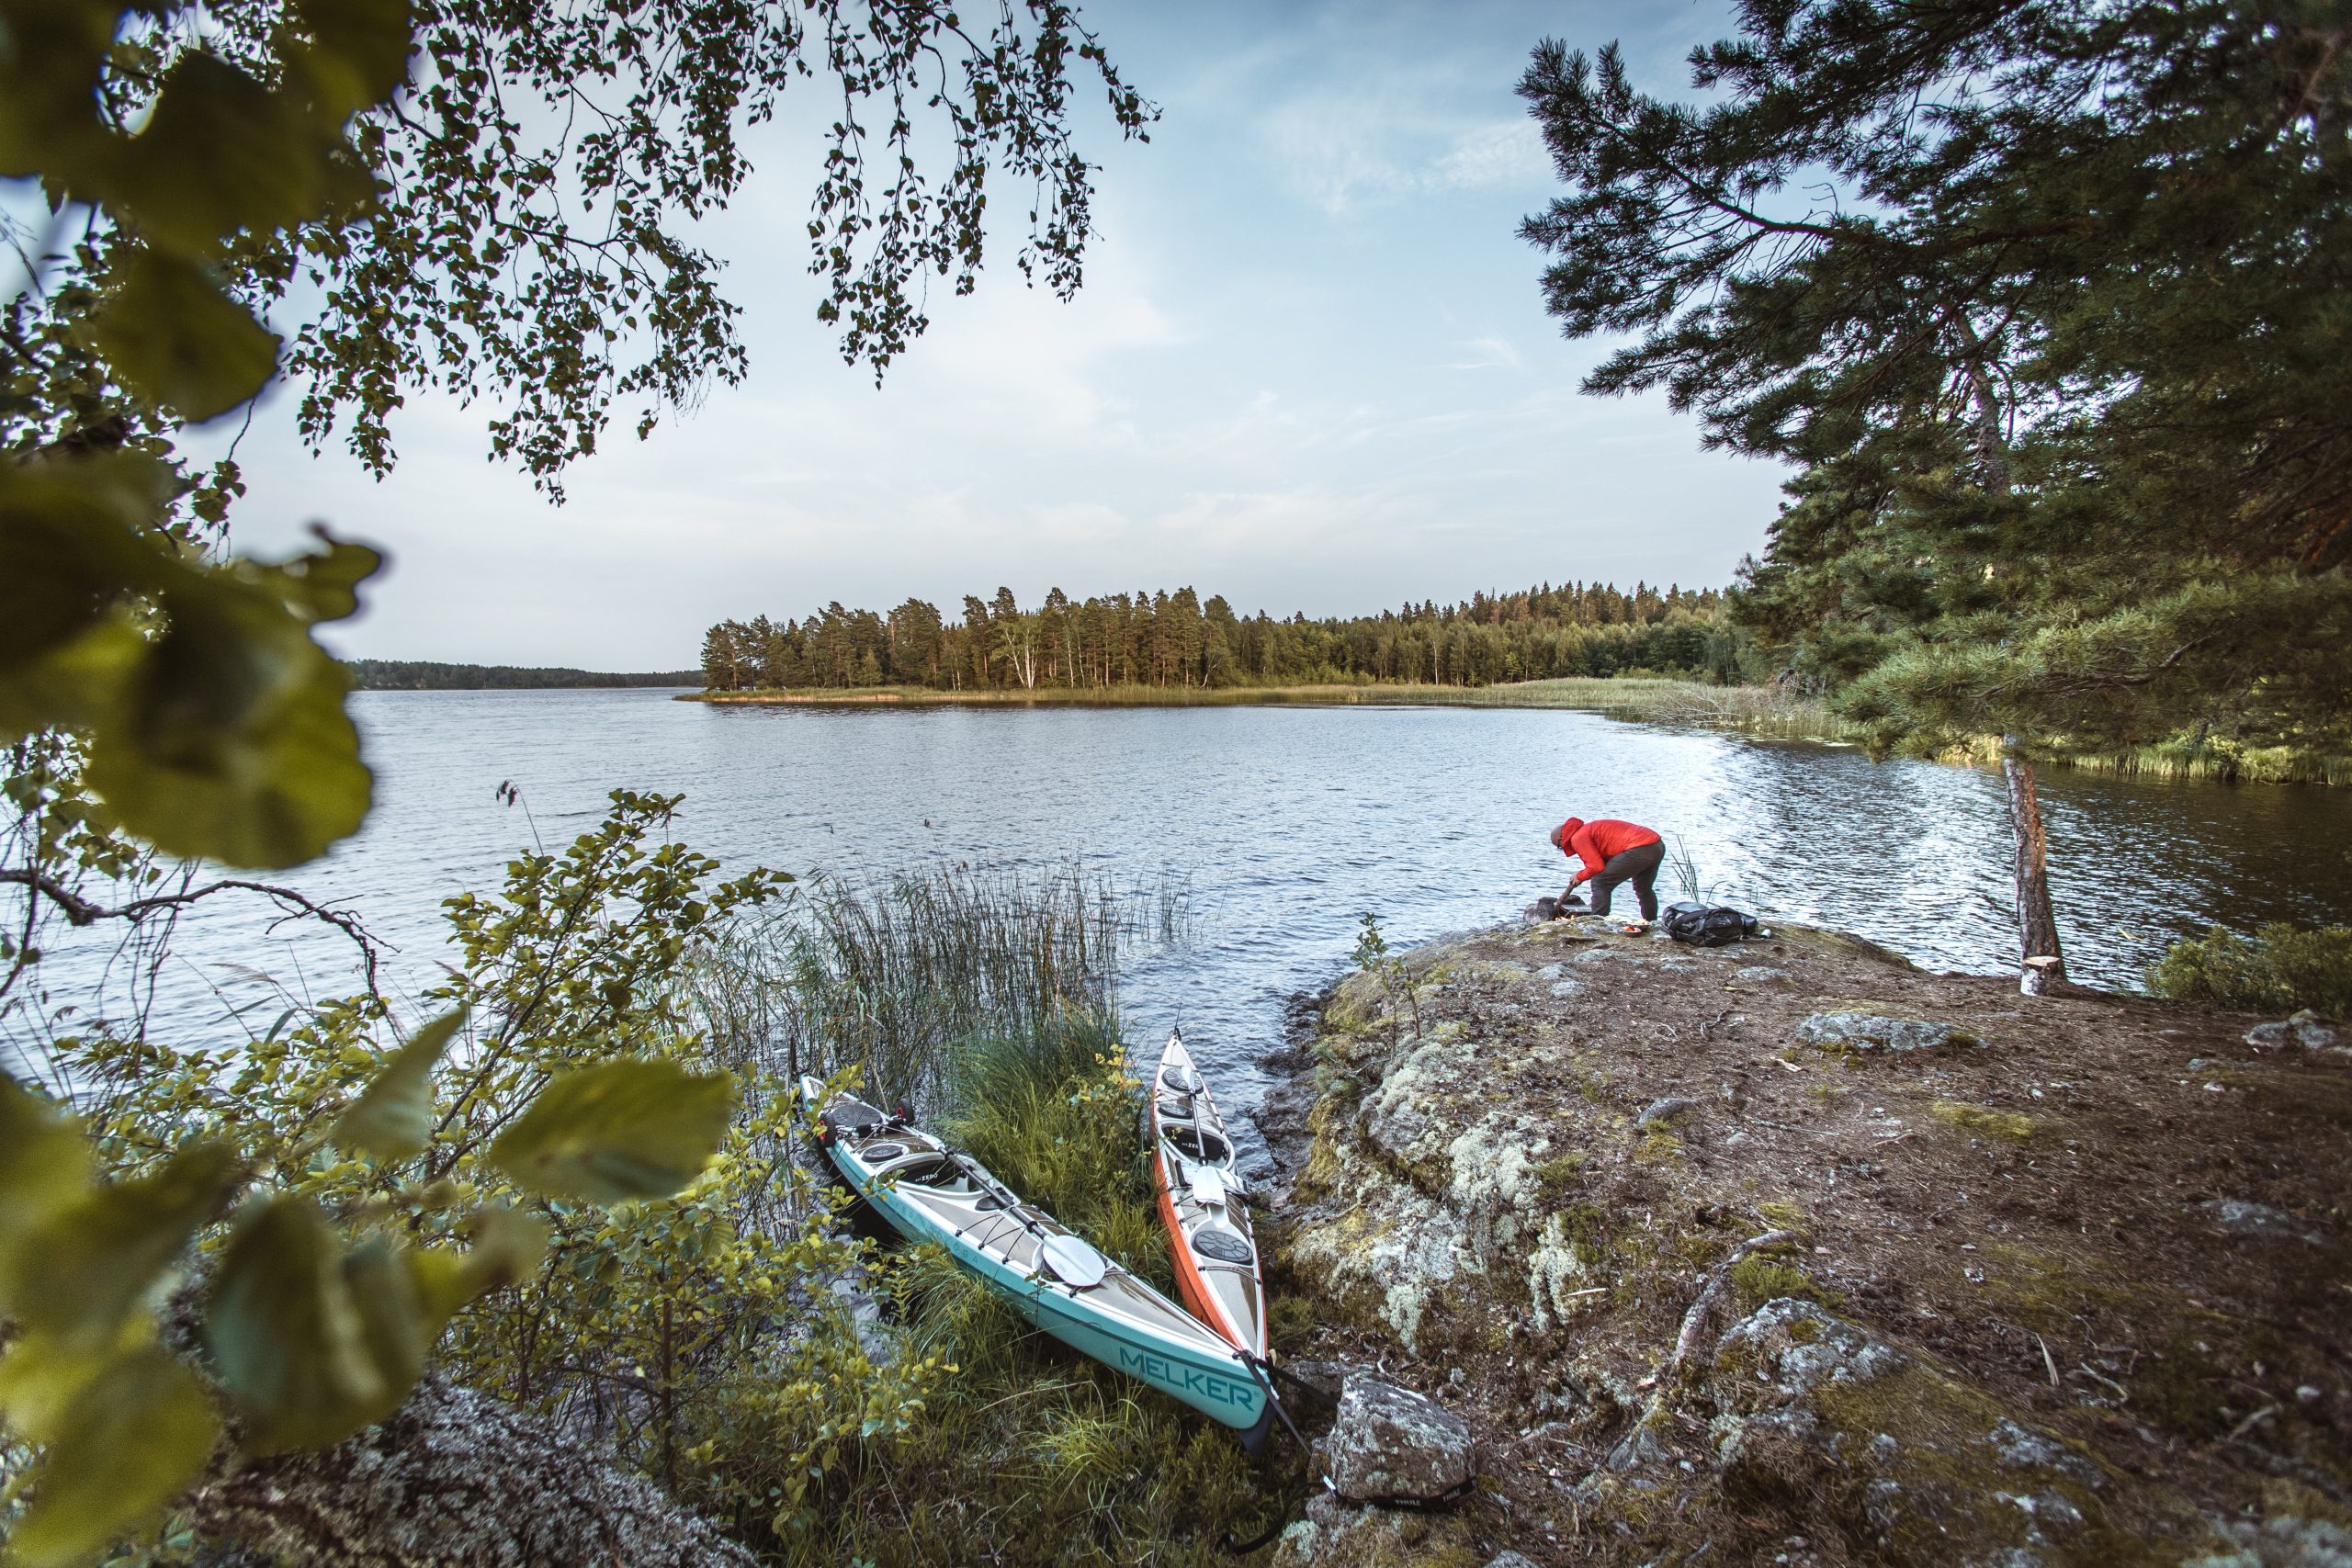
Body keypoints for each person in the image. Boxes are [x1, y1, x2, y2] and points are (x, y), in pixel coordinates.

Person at [1551, 817, 1665, 923]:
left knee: (1600, 882)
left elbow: (1596, 867)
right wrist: (1582, 875)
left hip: (1639, 847)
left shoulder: (1578, 837)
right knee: (1643, 888)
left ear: (1562, 838)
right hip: (1656, 845)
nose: (1563, 849)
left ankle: (1596, 922)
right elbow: (1601, 864)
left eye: (1559, 846)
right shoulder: (1587, 829)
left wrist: (1579, 876)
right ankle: (1652, 923)